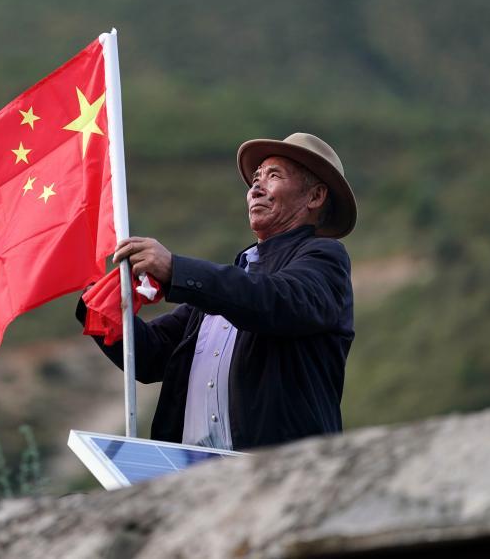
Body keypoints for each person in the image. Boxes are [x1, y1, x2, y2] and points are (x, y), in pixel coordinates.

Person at [77, 132, 356, 451]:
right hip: (198, 472)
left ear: (315, 197)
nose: (256, 188)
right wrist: (100, 302)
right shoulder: (229, 286)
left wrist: (176, 270)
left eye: (273, 176)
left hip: (277, 467)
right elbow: (150, 356)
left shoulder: (325, 257)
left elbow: (276, 300)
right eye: (256, 178)